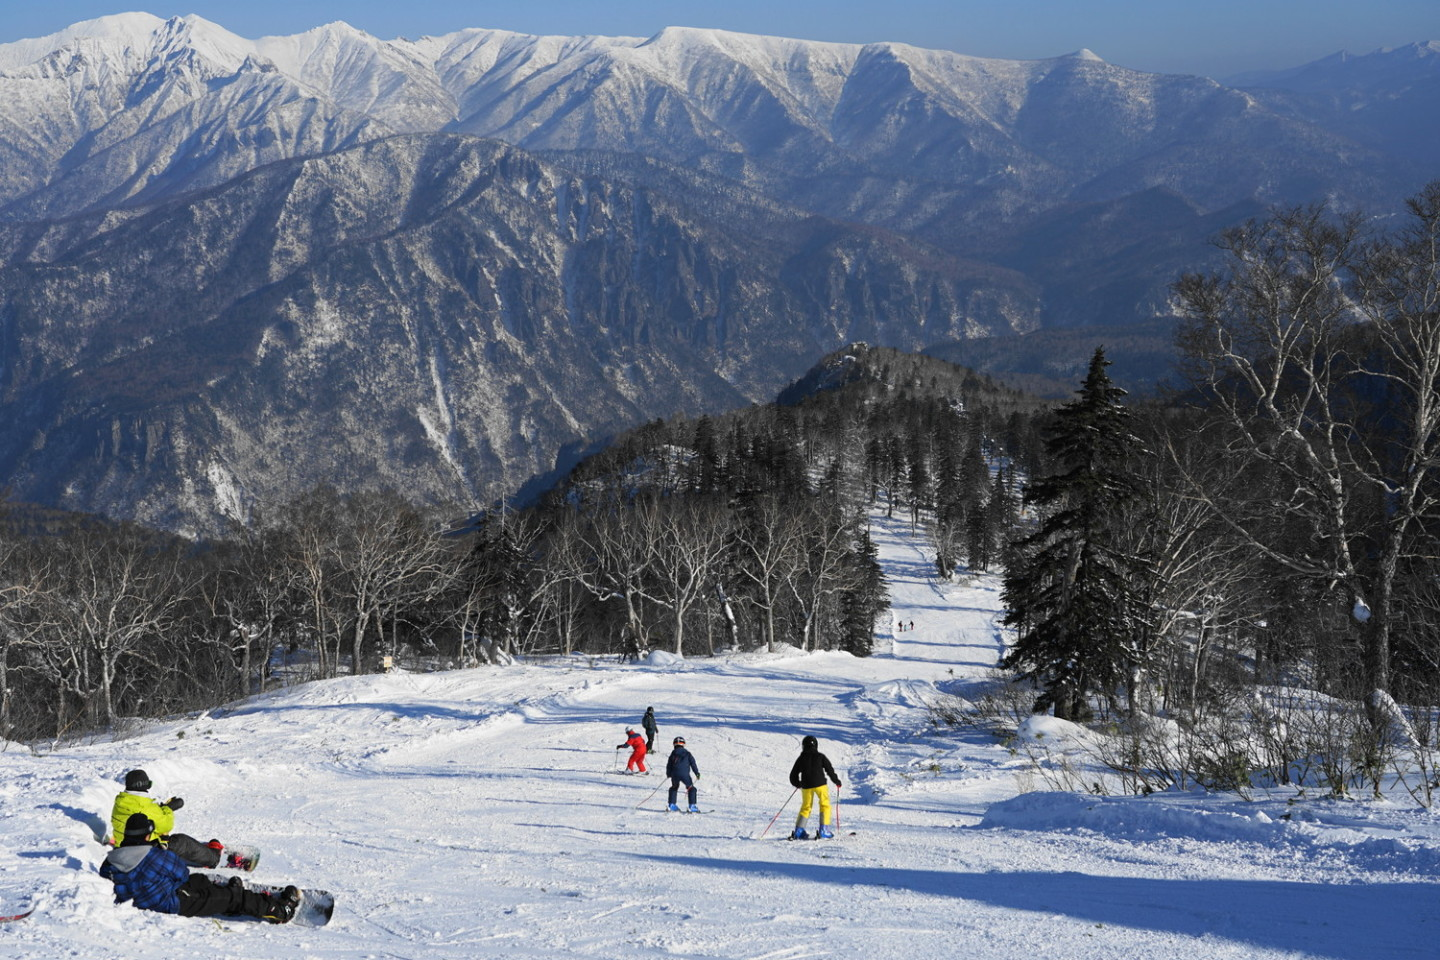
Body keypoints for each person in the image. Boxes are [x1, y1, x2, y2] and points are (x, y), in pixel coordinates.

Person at [100, 813, 299, 923]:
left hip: (149, 896)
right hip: (169, 902)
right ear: (147, 835)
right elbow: (181, 872)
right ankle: (280, 911)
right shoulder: (154, 855)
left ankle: (226, 897)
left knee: (201, 882)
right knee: (229, 897)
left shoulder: (110, 860)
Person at [110, 769, 221, 868]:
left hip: (123, 847)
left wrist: (160, 809)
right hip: (143, 852)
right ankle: (213, 858)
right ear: (143, 785)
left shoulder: (122, 801)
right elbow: (166, 825)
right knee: (182, 842)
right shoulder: (143, 805)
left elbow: (148, 813)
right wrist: (168, 809)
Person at [788, 735, 842, 839]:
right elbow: (829, 770)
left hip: (806, 786)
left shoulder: (801, 758)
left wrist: (798, 783)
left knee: (806, 807)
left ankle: (799, 831)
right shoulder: (821, 756)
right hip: (820, 785)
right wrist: (836, 781)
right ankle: (824, 830)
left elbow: (793, 775)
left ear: (803, 746)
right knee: (824, 805)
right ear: (816, 746)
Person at [665, 736, 700, 813]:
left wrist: (668, 774)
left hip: (674, 775)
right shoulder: (687, 754)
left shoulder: (673, 754)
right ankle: (692, 806)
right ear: (683, 744)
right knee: (691, 788)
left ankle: (671, 805)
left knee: (674, 787)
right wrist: (697, 773)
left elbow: (669, 765)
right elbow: (693, 764)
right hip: (685, 775)